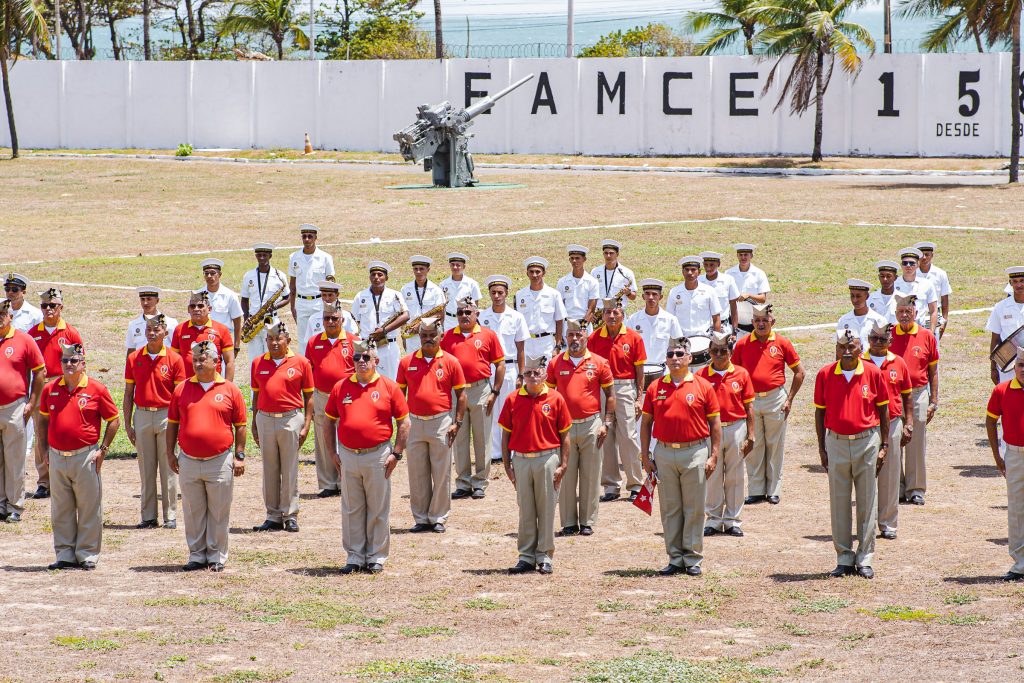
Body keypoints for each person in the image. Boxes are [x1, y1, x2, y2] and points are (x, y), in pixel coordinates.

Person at [324, 341, 410, 574]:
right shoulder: (341, 387)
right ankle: (354, 556)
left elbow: (404, 421)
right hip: (349, 456)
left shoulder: (389, 387)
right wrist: (332, 452)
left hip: (378, 455)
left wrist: (397, 453)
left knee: (377, 507)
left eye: (366, 358)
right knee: (352, 508)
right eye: (357, 358)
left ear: (376, 362)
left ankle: (376, 556)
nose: (361, 362)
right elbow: (328, 420)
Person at [640, 336, 722, 576]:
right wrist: (645, 456)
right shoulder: (656, 387)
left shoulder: (702, 385)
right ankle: (675, 557)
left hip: (694, 452)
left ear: (689, 357)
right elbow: (645, 424)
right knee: (670, 508)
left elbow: (715, 424)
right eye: (670, 355)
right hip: (664, 453)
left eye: (679, 354)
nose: (674, 358)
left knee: (694, 507)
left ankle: (693, 557)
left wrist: (714, 455)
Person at [813, 330, 889, 580]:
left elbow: (884, 410)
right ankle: (844, 557)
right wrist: (822, 448)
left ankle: (865, 557)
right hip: (836, 442)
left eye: (852, 347)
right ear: (836, 348)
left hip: (866, 442)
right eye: (842, 346)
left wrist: (884, 444)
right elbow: (820, 413)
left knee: (868, 501)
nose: (847, 351)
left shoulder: (873, 373)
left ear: (860, 349)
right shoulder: (825, 374)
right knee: (839, 501)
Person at [37, 343, 120, 570]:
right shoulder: (50, 389)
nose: (69, 364)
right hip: (56, 456)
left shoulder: (96, 389)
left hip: (85, 456)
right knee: (61, 508)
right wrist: (43, 450)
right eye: (65, 361)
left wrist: (103, 450)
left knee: (88, 507)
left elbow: (113, 420)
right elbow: (42, 421)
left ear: (83, 364)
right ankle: (64, 554)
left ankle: (87, 554)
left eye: (74, 361)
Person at [167, 340, 247, 573]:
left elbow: (240, 425)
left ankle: (216, 556)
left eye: (203, 359)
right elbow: (172, 424)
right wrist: (169, 452)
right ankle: (196, 554)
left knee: (219, 510)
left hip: (219, 460)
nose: (198, 363)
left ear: (216, 361)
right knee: (193, 510)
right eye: (195, 359)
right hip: (189, 460)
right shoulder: (181, 389)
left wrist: (239, 455)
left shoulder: (230, 389)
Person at [499, 354, 571, 575]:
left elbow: (565, 435)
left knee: (547, 508)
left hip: (547, 458)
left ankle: (545, 556)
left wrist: (563, 463)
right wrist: (507, 464)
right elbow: (505, 435)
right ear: (523, 375)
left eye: (536, 373)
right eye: (527, 373)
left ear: (544, 375)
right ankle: (526, 556)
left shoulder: (556, 399)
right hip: (521, 459)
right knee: (526, 509)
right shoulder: (512, 399)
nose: (532, 377)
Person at [397, 317, 467, 533]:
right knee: (417, 473)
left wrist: (457, 422)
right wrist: (402, 423)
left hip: (441, 423)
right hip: (415, 423)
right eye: (424, 336)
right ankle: (421, 517)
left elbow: (461, 395)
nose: (428, 339)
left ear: (440, 336)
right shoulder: (406, 362)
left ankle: (438, 517)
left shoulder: (450, 361)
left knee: (441, 472)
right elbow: (400, 394)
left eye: (432, 336)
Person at [545, 321, 614, 536]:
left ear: (587, 337)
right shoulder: (555, 363)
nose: (575, 339)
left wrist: (607, 422)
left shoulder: (599, 362)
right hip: (564, 428)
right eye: (571, 335)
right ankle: (568, 522)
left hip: (591, 425)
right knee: (564, 473)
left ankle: (587, 521)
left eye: (579, 335)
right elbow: (547, 396)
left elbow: (610, 395)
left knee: (591, 474)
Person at [732, 304, 805, 505]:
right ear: (752, 322)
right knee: (754, 444)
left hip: (775, 399)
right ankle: (756, 490)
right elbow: (734, 374)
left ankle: (773, 489)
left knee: (775, 445)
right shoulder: (742, 344)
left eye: (765, 320)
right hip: (751, 400)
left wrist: (789, 399)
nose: (761, 324)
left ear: (772, 321)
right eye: (757, 320)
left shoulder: (782, 343)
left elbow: (799, 372)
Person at [250, 320, 314, 534]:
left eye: (279, 339)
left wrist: (305, 425)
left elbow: (309, 396)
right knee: (269, 468)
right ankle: (273, 515)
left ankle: (290, 514)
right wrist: (254, 421)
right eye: (270, 339)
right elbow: (256, 394)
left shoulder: (301, 362)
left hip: (290, 418)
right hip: (265, 418)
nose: (274, 343)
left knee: (289, 469)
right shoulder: (258, 362)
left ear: (288, 340)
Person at [123, 314, 186, 530]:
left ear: (165, 333)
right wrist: (128, 423)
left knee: (169, 468)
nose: (151, 333)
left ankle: (170, 516)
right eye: (148, 329)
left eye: (156, 330)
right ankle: (148, 516)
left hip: (166, 416)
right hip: (141, 414)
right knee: (146, 468)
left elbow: (179, 396)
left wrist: (180, 424)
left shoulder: (174, 360)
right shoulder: (134, 358)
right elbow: (128, 392)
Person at [441, 297, 506, 499]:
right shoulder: (449, 337)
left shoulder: (488, 335)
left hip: (480, 390)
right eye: (460, 312)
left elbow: (500, 364)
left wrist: (495, 392)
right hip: (457, 392)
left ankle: (480, 482)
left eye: (468, 312)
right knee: (458, 438)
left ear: (477, 314)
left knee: (482, 438)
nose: (464, 316)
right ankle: (463, 482)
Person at [588, 297, 647, 503]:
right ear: (602, 315)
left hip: (624, 387)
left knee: (628, 435)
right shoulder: (594, 338)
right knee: (605, 437)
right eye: (608, 313)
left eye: (616, 313)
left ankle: (635, 484)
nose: (612, 316)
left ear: (623, 315)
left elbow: (640, 371)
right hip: (602, 390)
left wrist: (639, 398)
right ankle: (611, 486)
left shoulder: (633, 337)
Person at [699, 332, 754, 538]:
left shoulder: (741, 374)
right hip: (711, 430)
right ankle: (713, 519)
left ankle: (732, 520)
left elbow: (749, 407)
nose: (719, 355)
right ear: (709, 353)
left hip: (735, 427)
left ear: (730, 352)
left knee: (735, 475)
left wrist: (751, 435)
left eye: (723, 351)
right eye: (715, 351)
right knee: (711, 475)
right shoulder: (701, 376)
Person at [30, 287, 83, 500]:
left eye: (53, 305)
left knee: (61, 429)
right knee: (41, 432)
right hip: (41, 386)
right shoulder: (33, 333)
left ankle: (64, 477)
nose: (48, 309)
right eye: (45, 306)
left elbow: (80, 363)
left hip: (63, 385)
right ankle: (44, 480)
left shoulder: (70, 332)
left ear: (61, 307)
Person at [889, 294, 939, 506]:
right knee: (893, 440)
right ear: (895, 313)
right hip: (894, 393)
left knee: (916, 441)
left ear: (916, 313)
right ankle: (896, 487)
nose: (904, 315)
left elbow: (933, 371)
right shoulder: (888, 335)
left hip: (918, 393)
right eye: (900, 312)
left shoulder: (927, 336)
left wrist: (934, 401)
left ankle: (916, 488)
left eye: (908, 312)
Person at [864, 322, 912, 540]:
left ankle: (888, 522)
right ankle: (867, 523)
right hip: (868, 425)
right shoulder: (858, 361)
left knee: (890, 475)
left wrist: (908, 423)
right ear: (868, 339)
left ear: (890, 342)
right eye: (874, 338)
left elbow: (907, 395)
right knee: (866, 475)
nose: (877, 343)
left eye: (882, 339)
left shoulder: (898, 363)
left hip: (892, 423)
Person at [305, 302, 358, 498]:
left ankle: (346, 479)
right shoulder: (313, 342)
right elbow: (310, 369)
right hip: (322, 395)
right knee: (322, 436)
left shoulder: (353, 341)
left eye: (334, 318)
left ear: (342, 320)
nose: (330, 322)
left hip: (347, 395)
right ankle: (328, 482)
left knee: (346, 435)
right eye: (326, 318)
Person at [0, 299, 45, 524]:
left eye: (2, 315)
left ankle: (15, 505)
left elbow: (40, 371)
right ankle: (1, 502)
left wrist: (32, 402)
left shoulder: (24, 340)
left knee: (15, 458)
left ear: (9, 316)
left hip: (14, 407)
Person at [985, 348, 1024, 581]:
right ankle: (1020, 564)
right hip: (1014, 455)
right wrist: (997, 457)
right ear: (1014, 366)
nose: (1023, 370)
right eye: (1020, 365)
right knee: (1017, 509)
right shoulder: (1002, 390)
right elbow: (990, 422)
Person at [480, 275, 528, 463]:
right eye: (494, 293)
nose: (497, 296)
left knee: (510, 410)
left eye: (500, 292)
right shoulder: (482, 317)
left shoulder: (516, 317)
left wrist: (521, 374)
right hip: (489, 369)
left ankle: (512, 449)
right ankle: (494, 452)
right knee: (490, 409)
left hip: (509, 368)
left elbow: (521, 349)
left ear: (507, 293)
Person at [352, 261, 409, 380]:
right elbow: (355, 322)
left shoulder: (395, 295)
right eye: (373, 274)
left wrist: (384, 330)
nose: (376, 278)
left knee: (390, 381)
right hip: (367, 347)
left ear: (386, 277)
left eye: (380, 274)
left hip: (388, 346)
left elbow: (405, 315)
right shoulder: (360, 296)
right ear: (369, 277)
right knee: (367, 381)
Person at [627, 279, 683, 390]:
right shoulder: (633, 319)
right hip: (640, 371)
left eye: (654, 294)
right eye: (647, 294)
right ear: (643, 297)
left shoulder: (670, 319)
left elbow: (679, 345)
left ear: (660, 297)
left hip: (663, 372)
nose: (651, 297)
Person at [288, 224, 336, 351]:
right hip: (302, 302)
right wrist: (292, 306)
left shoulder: (325, 257)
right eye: (304, 236)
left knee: (319, 336)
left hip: (319, 302)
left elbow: (331, 283)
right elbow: (292, 285)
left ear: (315, 238)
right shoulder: (294, 257)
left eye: (310, 236)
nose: (307, 239)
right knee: (303, 340)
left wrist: (329, 305)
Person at [240, 243, 291, 361]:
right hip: (254, 322)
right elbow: (244, 300)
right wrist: (247, 319)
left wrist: (275, 306)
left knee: (273, 357)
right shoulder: (249, 275)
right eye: (259, 255)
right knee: (255, 359)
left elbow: (288, 297)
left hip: (271, 320)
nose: (262, 258)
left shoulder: (279, 276)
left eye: (265, 255)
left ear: (270, 256)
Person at [171, 290, 235, 382]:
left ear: (209, 309)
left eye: (200, 306)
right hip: (186, 384)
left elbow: (230, 362)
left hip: (213, 384)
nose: (196, 309)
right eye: (192, 306)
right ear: (188, 309)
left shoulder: (221, 329)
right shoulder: (179, 329)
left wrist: (228, 386)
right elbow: (174, 361)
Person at [516, 256, 567, 360]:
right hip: (527, 343)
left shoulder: (554, 294)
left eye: (538, 272)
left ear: (544, 273)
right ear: (527, 274)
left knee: (547, 374)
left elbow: (559, 321)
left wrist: (557, 346)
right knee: (527, 374)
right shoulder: (519, 295)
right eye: (531, 272)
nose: (534, 275)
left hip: (546, 343)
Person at [400, 255, 446, 354]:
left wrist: (420, 325)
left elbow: (440, 314)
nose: (418, 272)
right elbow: (401, 313)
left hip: (430, 334)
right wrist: (404, 336)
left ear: (428, 270)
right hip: (412, 335)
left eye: (421, 269)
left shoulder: (436, 290)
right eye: (415, 269)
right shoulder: (405, 289)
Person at [668, 255, 722, 337]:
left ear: (699, 272)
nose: (690, 273)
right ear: (683, 272)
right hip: (681, 340)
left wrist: (716, 341)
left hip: (704, 339)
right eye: (687, 270)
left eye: (693, 270)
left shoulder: (709, 291)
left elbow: (716, 318)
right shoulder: (674, 292)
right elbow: (669, 318)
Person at [988, 267, 1024, 384]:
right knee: (1009, 398)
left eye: (1022, 280)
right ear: (1010, 283)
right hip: (1008, 363)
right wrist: (993, 368)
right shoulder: (1000, 307)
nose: (1019, 285)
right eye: (1015, 281)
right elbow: (995, 339)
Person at [200, 258, 243, 352]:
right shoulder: (198, 294)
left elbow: (237, 324)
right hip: (202, 341)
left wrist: (236, 346)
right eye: (206, 273)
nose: (209, 276)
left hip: (223, 341)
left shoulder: (230, 295)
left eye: (213, 273)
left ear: (219, 275)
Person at [726, 244, 770, 333]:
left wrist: (748, 295)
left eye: (746, 254)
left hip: (753, 321)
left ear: (751, 256)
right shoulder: (729, 273)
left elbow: (762, 299)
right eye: (740, 255)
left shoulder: (759, 273)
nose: (743, 257)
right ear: (737, 256)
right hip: (733, 321)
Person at [125, 286, 179, 360]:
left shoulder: (171, 323)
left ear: (157, 300)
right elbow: (131, 350)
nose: (145, 303)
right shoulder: (133, 325)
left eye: (149, 299)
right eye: (142, 299)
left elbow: (177, 349)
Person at [894, 247, 939, 335]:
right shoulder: (893, 285)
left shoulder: (927, 284)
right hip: (898, 331)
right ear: (901, 265)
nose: (908, 266)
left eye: (912, 263)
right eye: (905, 263)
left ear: (918, 265)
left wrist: (931, 332)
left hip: (920, 330)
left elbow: (933, 310)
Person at [556, 245, 600, 335]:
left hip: (584, 325)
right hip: (567, 325)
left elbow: (591, 309)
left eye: (577, 258)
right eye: (572, 258)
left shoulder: (592, 282)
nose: (574, 261)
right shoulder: (562, 282)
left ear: (584, 259)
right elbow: (559, 307)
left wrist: (582, 326)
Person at [836, 279, 889, 347]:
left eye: (858, 296)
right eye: (852, 296)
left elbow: (885, 346)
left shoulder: (880, 320)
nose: (855, 300)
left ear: (867, 296)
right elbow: (839, 347)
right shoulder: (843, 321)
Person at [914, 241, 951, 340]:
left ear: (932, 255)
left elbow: (944, 300)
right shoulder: (912, 274)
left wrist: (944, 321)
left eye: (927, 254)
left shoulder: (940, 274)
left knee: (933, 348)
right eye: (921, 255)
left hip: (933, 316)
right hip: (916, 316)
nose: (924, 258)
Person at [591, 239, 637, 315]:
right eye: (606, 253)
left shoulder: (627, 273)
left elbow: (633, 297)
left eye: (611, 253)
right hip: (600, 314)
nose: (608, 256)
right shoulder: (595, 272)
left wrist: (628, 293)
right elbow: (591, 295)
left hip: (618, 313)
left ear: (617, 254)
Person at [699, 251, 740, 335]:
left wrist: (734, 331)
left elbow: (733, 306)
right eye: (706, 265)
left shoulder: (728, 280)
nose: (708, 268)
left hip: (723, 327)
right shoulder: (698, 281)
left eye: (711, 265)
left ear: (718, 264)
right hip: (702, 327)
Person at [440, 253, 482, 325]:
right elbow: (441, 305)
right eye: (452, 264)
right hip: (449, 321)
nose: (455, 267)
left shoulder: (472, 284)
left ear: (464, 266)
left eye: (458, 265)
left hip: (465, 319)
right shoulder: (443, 284)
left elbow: (475, 304)